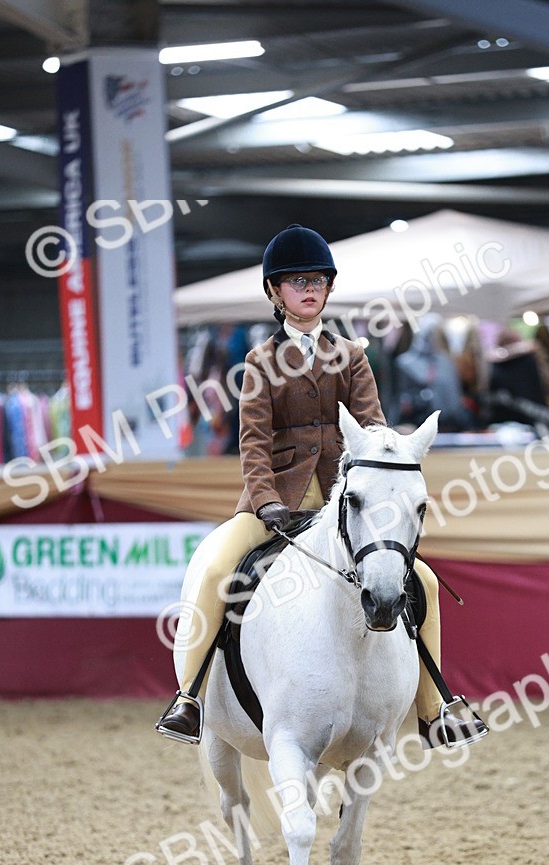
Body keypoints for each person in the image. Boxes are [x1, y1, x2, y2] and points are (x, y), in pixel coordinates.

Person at [157, 224, 470, 748]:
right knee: (215, 570)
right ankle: (190, 697)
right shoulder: (258, 363)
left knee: (427, 583)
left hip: (344, 500)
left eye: (319, 279)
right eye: (297, 280)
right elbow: (253, 444)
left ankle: (434, 706)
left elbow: (372, 430)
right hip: (276, 500)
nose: (310, 287)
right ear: (275, 292)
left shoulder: (351, 355)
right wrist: (266, 502)